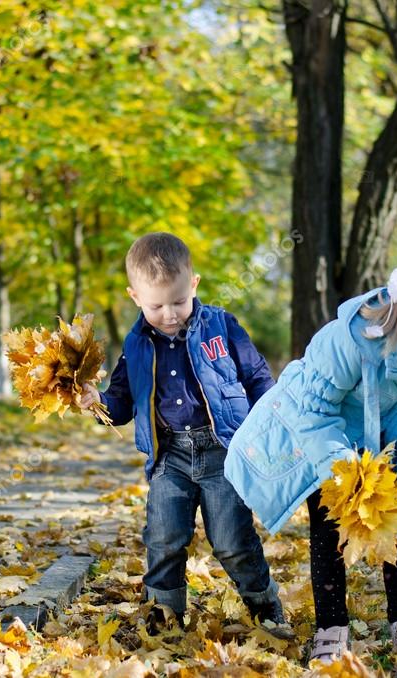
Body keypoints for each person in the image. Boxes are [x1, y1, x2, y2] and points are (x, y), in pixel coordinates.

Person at [223, 260, 397, 664]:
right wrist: (341, 469)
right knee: (330, 530)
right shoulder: (353, 340)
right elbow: (313, 407)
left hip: (378, 448)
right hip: (322, 443)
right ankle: (331, 630)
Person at [78, 232, 288, 636]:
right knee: (164, 539)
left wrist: (271, 423)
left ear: (193, 284)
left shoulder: (221, 327)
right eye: (157, 305)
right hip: (168, 456)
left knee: (232, 540)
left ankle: (265, 606)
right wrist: (97, 403)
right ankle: (164, 616)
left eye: (178, 300)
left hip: (221, 451)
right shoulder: (136, 344)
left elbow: (258, 377)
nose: (170, 313)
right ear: (135, 297)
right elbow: (120, 404)